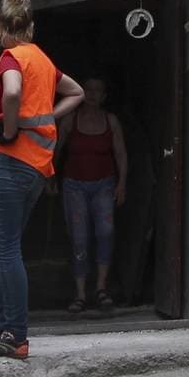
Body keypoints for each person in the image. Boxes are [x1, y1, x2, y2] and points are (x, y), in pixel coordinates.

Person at [0, 0, 83, 359]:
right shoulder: (44, 61)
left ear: (0, 25)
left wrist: (13, 127)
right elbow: (77, 92)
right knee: (11, 249)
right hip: (36, 167)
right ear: (30, 26)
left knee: (5, 250)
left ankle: (13, 334)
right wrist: (48, 117)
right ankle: (11, 331)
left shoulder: (11, 58)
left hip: (10, 162)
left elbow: (13, 93)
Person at [54, 73, 127, 314]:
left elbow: (120, 154)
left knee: (105, 232)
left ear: (104, 96)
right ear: (82, 92)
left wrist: (121, 183)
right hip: (74, 186)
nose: (93, 95)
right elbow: (56, 149)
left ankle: (101, 288)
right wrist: (48, 176)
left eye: (98, 91)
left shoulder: (111, 121)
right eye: (89, 89)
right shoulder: (70, 120)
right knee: (79, 237)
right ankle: (80, 294)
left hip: (104, 185)